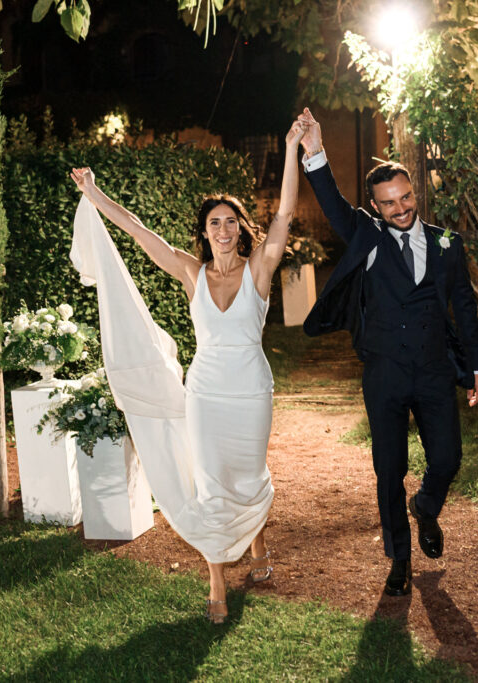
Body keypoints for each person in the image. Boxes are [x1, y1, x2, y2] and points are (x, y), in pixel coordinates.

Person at [68, 119, 306, 623]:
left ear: (241, 228)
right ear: (204, 232)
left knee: (247, 476)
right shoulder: (190, 272)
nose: (223, 229)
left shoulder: (259, 269)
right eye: (214, 223)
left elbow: (285, 213)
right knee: (211, 484)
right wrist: (94, 194)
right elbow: (138, 231)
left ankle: (256, 541)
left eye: (231, 221)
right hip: (205, 395)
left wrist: (291, 148)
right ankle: (217, 579)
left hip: (250, 393)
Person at [296, 107, 478, 597]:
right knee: (389, 469)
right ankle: (399, 558)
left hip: (434, 370)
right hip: (384, 372)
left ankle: (425, 506)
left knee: (447, 458)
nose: (400, 209)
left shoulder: (447, 244)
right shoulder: (366, 236)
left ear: (414, 193)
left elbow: (465, 310)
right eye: (388, 203)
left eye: (405, 198)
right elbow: (333, 203)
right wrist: (315, 151)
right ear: (375, 206)